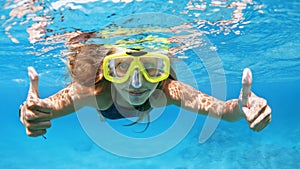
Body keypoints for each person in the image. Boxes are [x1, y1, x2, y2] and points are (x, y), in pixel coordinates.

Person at [19, 32, 271, 137]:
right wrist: (29, 113)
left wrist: (244, 107)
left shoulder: (167, 90)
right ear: (107, 71)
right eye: (122, 67)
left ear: (163, 71)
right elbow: (43, 108)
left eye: (151, 68)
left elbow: (226, 113)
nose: (137, 83)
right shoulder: (95, 92)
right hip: (106, 105)